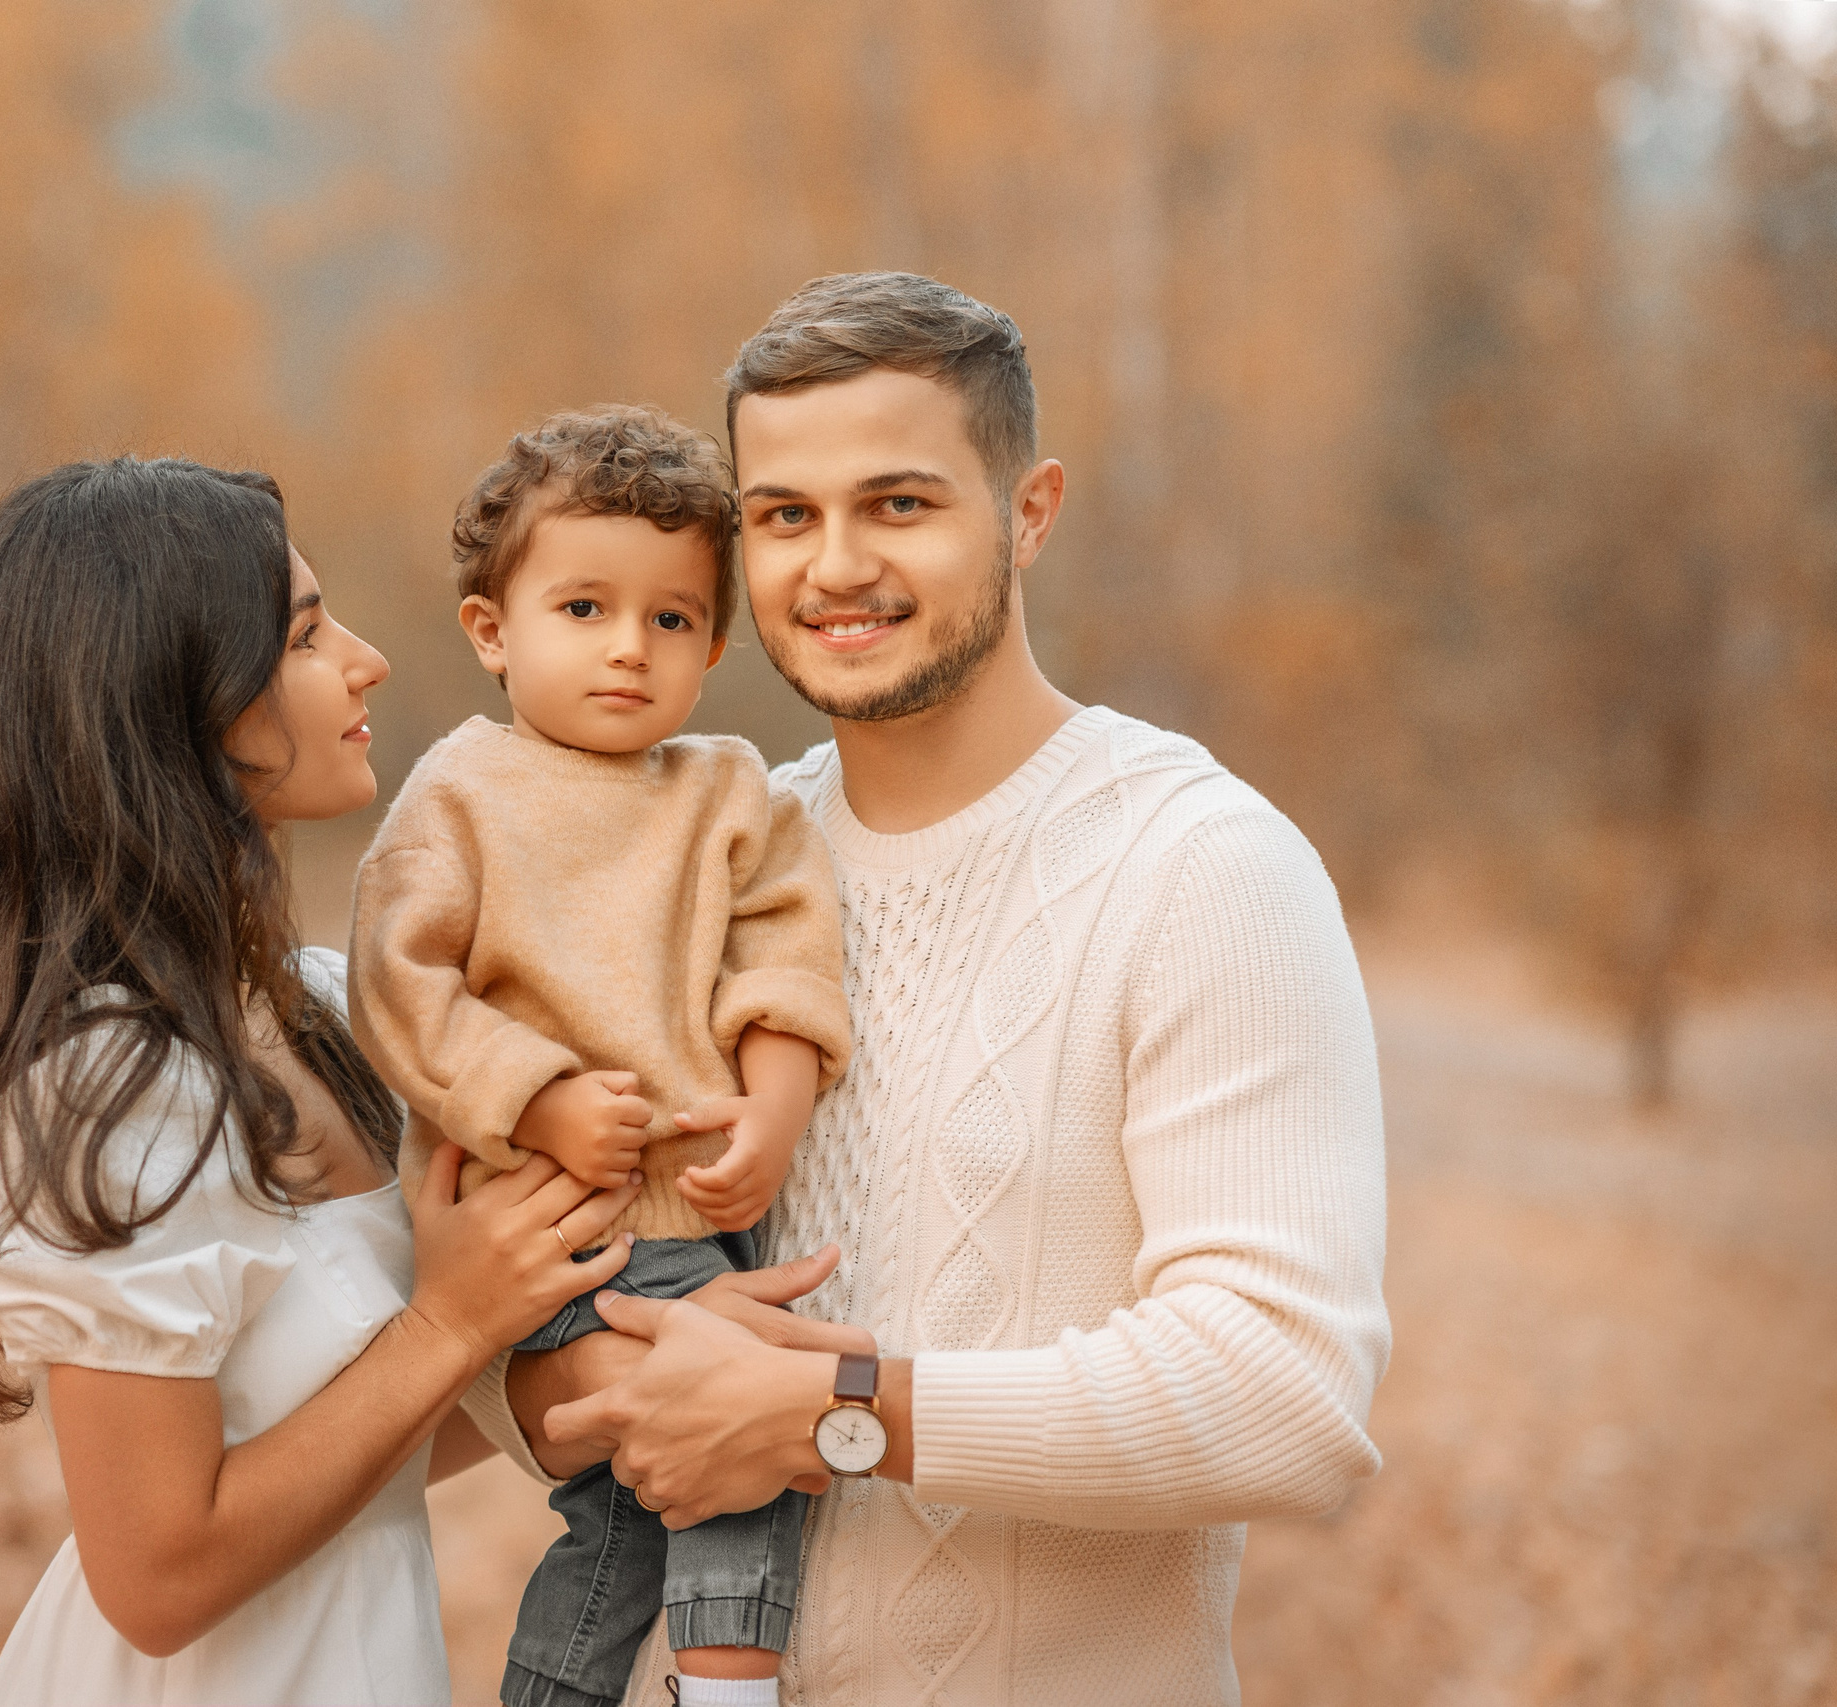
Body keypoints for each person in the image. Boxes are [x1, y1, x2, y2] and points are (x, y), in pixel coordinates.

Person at [470, 273, 1393, 1705]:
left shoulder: (1204, 864)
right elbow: (522, 1310)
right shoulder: (704, 861)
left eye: (898, 503)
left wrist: (836, 1411)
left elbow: (1289, 1397)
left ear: (1029, 510)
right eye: (783, 516)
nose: (833, 565)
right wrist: (588, 1380)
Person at [0, 455, 657, 1706]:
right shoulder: (111, 1084)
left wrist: (567, 1383)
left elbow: (349, 1432)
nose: (367, 660)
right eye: (307, 634)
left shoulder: (317, 1009)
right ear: (168, 700)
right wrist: (452, 1321)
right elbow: (157, 1581)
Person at [348, 406, 855, 1707]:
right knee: (751, 1420)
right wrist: (544, 1094)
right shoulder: (460, 794)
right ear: (491, 632)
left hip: (696, 1226)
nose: (629, 647)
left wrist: (776, 1109)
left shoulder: (732, 793)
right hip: (544, 1219)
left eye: (671, 618)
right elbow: (401, 986)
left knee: (630, 1515)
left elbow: (786, 956)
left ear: (714, 641)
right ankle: (733, 1691)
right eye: (584, 608)